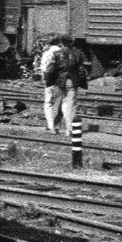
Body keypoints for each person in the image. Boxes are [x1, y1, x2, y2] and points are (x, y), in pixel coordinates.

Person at [44, 38, 90, 167]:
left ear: (61, 43)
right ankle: (69, 130)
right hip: (73, 81)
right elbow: (80, 69)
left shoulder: (57, 53)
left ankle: (54, 128)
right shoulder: (77, 54)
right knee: (71, 105)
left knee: (56, 103)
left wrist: (49, 81)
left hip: (60, 81)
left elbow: (51, 69)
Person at [39, 36, 66, 133]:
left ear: (49, 43)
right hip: (62, 81)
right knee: (60, 103)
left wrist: (44, 79)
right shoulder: (64, 52)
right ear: (59, 42)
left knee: (48, 102)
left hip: (49, 80)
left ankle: (50, 125)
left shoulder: (47, 53)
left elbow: (44, 68)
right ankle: (57, 125)